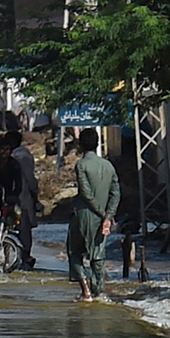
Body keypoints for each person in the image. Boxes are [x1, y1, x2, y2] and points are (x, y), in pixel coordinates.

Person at [67, 128, 119, 302]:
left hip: (84, 214)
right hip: (102, 218)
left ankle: (85, 291)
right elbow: (116, 193)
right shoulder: (108, 166)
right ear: (97, 144)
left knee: (75, 252)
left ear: (81, 145)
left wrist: (102, 212)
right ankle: (99, 291)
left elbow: (86, 193)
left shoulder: (81, 165)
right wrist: (108, 216)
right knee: (98, 254)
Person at [7, 130, 40, 269]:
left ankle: (16, 256)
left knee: (12, 227)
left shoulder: (15, 157)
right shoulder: (24, 156)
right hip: (23, 198)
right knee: (24, 229)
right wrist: (35, 196)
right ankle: (25, 256)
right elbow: (31, 180)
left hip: (15, 198)